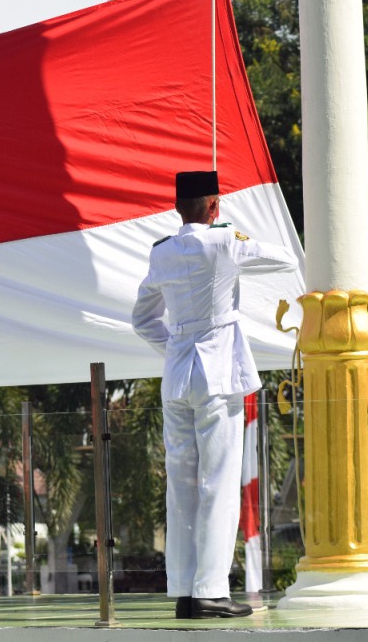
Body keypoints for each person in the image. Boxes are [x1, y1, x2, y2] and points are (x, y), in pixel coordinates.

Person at [132, 170, 298, 619]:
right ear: (214, 205)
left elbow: (142, 319)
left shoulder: (161, 253)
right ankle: (211, 590)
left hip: (178, 377)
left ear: (178, 207)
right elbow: (285, 258)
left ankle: (185, 592)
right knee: (219, 483)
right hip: (219, 375)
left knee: (182, 486)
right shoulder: (226, 242)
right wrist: (235, 233)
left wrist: (178, 346)